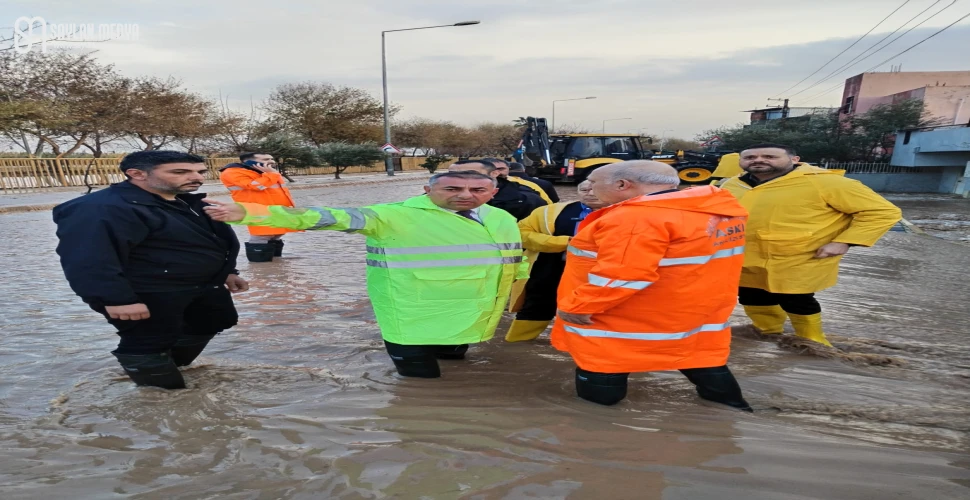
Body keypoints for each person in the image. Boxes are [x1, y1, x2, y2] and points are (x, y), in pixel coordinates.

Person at [203, 171, 528, 378]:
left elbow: (513, 255)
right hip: (412, 310)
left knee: (457, 364)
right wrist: (250, 212)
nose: (466, 195)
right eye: (452, 188)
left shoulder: (499, 217)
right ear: (427, 189)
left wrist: (523, 284)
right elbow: (326, 217)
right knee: (422, 384)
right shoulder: (391, 216)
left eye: (477, 189)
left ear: (493, 192)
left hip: (473, 308)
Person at [551, 161, 751, 410]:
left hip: (626, 318)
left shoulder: (636, 218)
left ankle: (596, 426)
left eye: (593, 182)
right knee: (701, 359)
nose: (588, 188)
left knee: (603, 373)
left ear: (622, 185)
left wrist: (578, 306)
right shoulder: (714, 209)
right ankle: (734, 414)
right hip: (697, 312)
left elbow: (623, 275)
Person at [53, 151, 249, 390]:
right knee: (148, 341)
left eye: (200, 171)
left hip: (202, 285)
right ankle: (162, 395)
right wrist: (115, 299)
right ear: (137, 174)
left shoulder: (188, 202)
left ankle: (170, 365)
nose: (196, 177)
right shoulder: (101, 208)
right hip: (149, 290)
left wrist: (227, 271)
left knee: (213, 320)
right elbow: (89, 258)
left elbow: (209, 241)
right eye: (181, 172)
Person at [719, 143, 902, 346]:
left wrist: (844, 242)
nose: (758, 160)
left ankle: (812, 341)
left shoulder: (825, 182)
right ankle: (766, 331)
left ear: (794, 159)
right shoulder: (732, 184)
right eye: (750, 157)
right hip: (743, 253)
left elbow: (882, 212)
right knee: (750, 293)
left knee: (795, 298)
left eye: (769, 156)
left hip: (799, 254)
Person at [506, 181, 607, 342]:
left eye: (595, 189)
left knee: (596, 309)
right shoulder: (550, 211)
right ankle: (517, 343)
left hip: (601, 272)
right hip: (549, 267)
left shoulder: (627, 214)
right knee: (537, 304)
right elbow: (521, 233)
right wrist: (564, 242)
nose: (590, 193)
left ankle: (582, 343)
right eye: (584, 189)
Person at [219, 152, 298, 262]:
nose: (271, 162)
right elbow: (257, 186)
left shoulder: (265, 172)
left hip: (277, 209)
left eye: (271, 159)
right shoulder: (232, 172)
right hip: (257, 210)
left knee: (277, 233)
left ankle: (275, 264)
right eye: (265, 159)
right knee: (262, 234)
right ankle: (259, 265)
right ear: (248, 162)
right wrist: (272, 174)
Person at [447, 159, 549, 220]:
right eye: (452, 174)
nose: (459, 178)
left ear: (494, 173)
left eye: (470, 173)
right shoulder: (442, 196)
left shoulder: (525, 200)